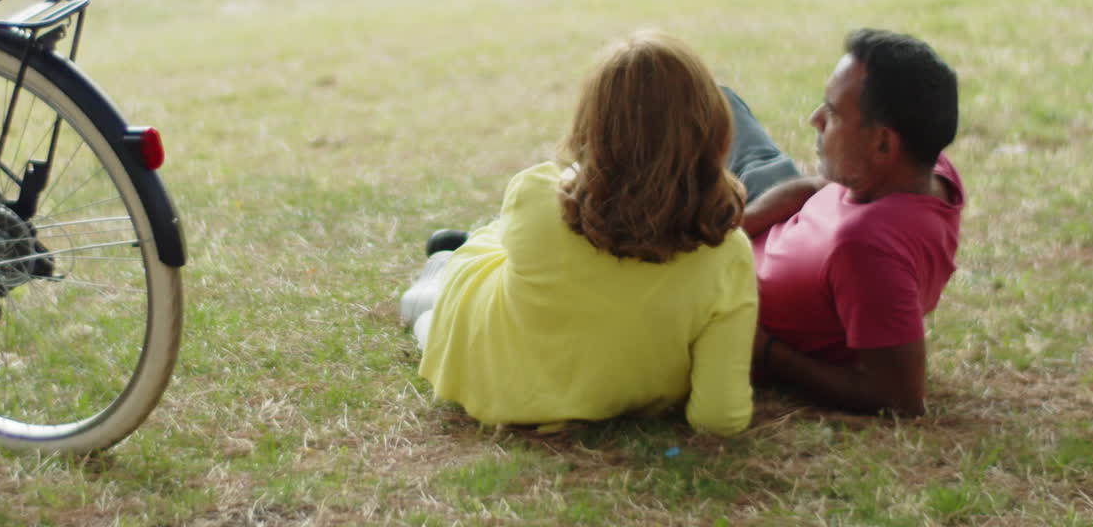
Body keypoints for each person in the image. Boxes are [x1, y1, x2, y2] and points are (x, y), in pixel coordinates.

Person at [400, 30, 758, 436]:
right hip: (604, 388)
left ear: (591, 123)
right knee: (474, 274)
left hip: (505, 385)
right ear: (713, 125)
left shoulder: (537, 194)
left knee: (447, 323)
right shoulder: (730, 254)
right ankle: (437, 280)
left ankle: (434, 283)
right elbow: (718, 417)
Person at [727, 28, 963, 416]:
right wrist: (738, 224)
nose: (814, 119)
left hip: (718, 283)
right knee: (702, 98)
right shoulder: (922, 166)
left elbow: (899, 398)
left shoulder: (868, 249)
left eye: (833, 113)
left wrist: (768, 354)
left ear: (883, 144)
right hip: (763, 215)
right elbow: (815, 188)